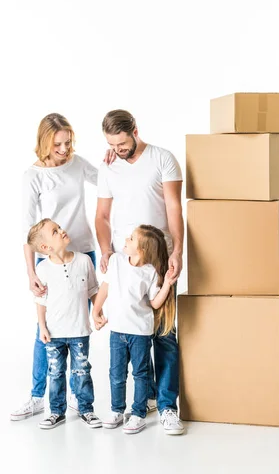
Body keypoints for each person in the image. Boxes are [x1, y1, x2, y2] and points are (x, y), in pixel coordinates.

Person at [11, 113, 110, 421]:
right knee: (47, 329)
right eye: (58, 144)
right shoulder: (34, 176)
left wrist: (112, 159)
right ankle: (38, 396)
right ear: (45, 142)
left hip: (83, 252)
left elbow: (105, 180)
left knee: (81, 327)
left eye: (68, 142)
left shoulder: (77, 163)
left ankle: (80, 399)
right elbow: (28, 231)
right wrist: (31, 273)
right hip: (49, 259)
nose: (65, 149)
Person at [95, 109, 184, 435]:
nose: (118, 149)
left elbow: (174, 206)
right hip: (123, 263)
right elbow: (102, 216)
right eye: (111, 144)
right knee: (127, 335)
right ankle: (138, 401)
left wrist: (177, 251)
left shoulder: (163, 159)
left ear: (135, 130)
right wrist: (106, 251)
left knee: (164, 336)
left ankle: (166, 406)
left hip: (158, 261)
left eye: (122, 142)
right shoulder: (108, 166)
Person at [93, 225, 178, 435]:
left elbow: (155, 303)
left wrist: (167, 283)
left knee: (141, 374)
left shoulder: (149, 273)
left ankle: (138, 414)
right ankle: (117, 411)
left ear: (142, 250)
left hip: (140, 332)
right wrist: (96, 309)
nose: (126, 239)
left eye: (131, 239)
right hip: (117, 331)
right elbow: (106, 286)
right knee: (116, 373)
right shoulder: (116, 261)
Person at [28, 219, 102, 429]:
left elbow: (93, 290)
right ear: (45, 247)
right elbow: (40, 302)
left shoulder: (84, 261)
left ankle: (86, 409)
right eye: (55, 231)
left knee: (82, 371)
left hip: (79, 331)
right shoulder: (43, 269)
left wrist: (97, 313)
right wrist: (42, 327)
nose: (62, 231)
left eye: (59, 227)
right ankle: (56, 412)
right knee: (56, 373)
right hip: (54, 334)